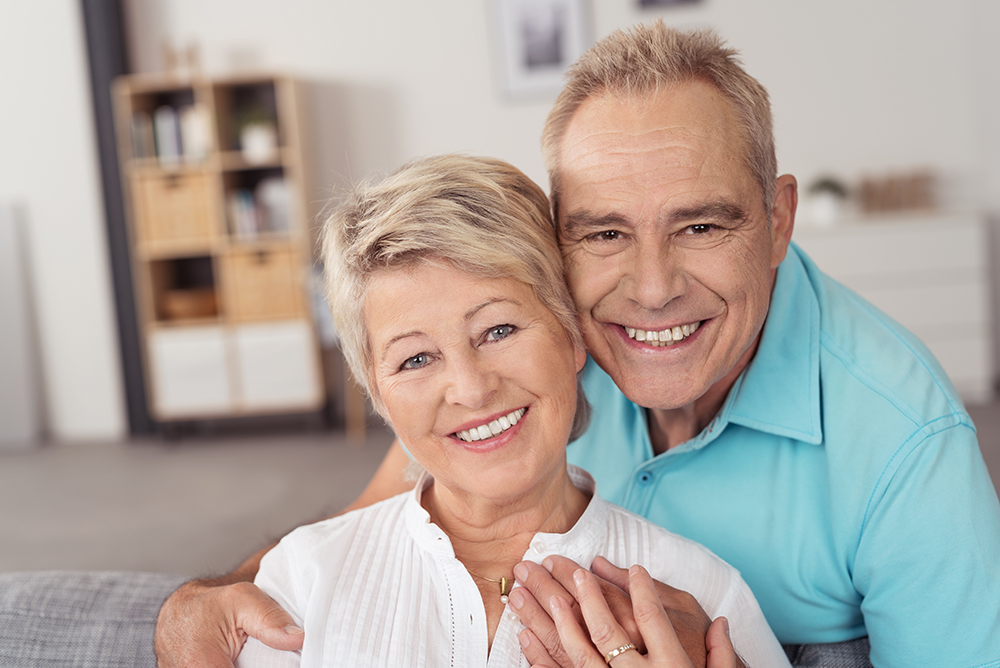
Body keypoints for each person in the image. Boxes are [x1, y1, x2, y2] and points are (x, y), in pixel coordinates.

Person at [156, 23, 1000, 668]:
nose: (652, 286)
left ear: (778, 219)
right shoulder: (525, 361)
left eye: (701, 224)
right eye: (603, 233)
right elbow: (363, 533)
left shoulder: (904, 446)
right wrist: (207, 597)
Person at [232, 154, 788, 667]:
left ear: (573, 339)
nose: (471, 390)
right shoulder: (302, 578)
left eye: (498, 330)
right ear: (378, 394)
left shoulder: (703, 592)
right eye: (416, 358)